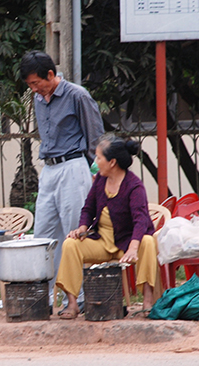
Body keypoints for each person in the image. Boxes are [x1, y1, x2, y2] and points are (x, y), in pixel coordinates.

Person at [20, 50, 105, 308]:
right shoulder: (38, 99)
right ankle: (43, 299)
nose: (35, 89)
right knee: (43, 234)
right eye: (30, 86)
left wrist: (96, 178)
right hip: (49, 169)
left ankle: (78, 298)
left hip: (74, 167)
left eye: (37, 83)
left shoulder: (77, 95)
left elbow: (96, 138)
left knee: (74, 232)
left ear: (50, 74)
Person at [55, 134, 158, 319]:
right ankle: (72, 303)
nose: (95, 162)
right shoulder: (100, 182)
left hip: (126, 243)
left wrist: (134, 247)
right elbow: (88, 208)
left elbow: (141, 220)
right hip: (102, 242)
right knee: (70, 244)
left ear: (112, 162)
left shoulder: (134, 186)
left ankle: (148, 301)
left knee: (149, 242)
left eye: (98, 157)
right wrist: (81, 228)